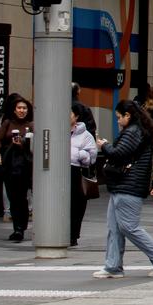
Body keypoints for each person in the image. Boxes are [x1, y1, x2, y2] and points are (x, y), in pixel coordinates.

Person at [94, 101, 153, 278]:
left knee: (128, 227)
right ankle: (113, 267)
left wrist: (104, 146)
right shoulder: (138, 130)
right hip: (124, 185)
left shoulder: (133, 131)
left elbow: (118, 153)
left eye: (119, 117)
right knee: (115, 228)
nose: (117, 121)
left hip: (128, 186)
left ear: (127, 115)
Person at [0, 95, 33, 242]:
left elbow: (35, 145)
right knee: (12, 197)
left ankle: (20, 228)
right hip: (9, 164)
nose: (22, 110)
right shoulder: (8, 123)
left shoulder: (31, 125)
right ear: (14, 110)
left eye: (24, 108)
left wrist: (23, 143)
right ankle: (17, 227)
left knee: (21, 197)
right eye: (19, 108)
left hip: (25, 165)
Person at [69, 103, 98, 247]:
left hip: (76, 172)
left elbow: (91, 158)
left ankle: (73, 235)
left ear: (76, 117)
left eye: (69, 113)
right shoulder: (56, 130)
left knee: (76, 206)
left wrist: (74, 153)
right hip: (59, 173)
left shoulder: (86, 135)